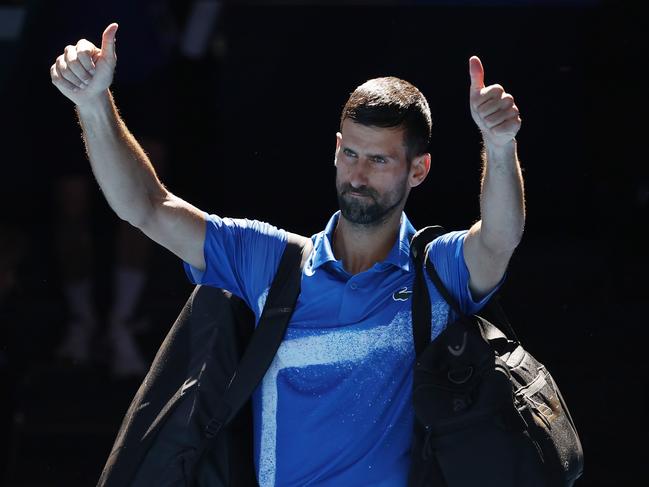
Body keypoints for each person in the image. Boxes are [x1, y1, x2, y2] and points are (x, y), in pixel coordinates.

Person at [50, 22, 524, 487]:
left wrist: (500, 147)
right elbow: (147, 208)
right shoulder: (272, 262)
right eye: (352, 154)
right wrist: (93, 105)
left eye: (379, 160)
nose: (358, 176)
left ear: (419, 170)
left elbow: (498, 239)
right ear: (336, 149)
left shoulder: (436, 272)